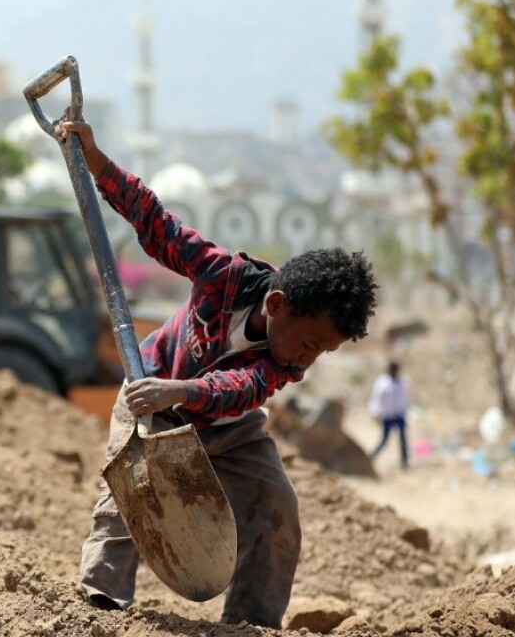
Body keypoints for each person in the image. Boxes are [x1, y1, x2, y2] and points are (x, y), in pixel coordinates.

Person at [58, 118, 379, 629]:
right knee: (128, 499)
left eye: (325, 352)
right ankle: (99, 609)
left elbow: (237, 391)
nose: (308, 360)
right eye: (312, 343)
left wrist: (181, 391)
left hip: (226, 426)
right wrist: (95, 159)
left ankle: (252, 623)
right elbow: (156, 224)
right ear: (276, 305)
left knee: (277, 506)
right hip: (150, 397)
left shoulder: (280, 364)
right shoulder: (222, 275)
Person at [368, 360, 411, 469]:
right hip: (388, 416)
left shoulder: (403, 382)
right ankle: (371, 457)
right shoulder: (382, 383)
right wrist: (375, 413)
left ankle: (404, 462)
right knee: (385, 440)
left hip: (399, 415)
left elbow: (406, 399)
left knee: (403, 439)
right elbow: (376, 399)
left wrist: (406, 411)